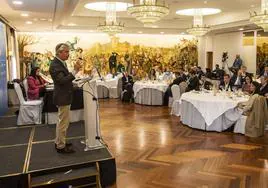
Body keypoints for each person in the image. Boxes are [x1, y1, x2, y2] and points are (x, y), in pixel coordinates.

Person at [49, 43, 76, 154]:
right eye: (66, 52)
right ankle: (61, 146)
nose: (68, 54)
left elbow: (64, 79)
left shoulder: (60, 63)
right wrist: (74, 71)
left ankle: (59, 141)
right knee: (63, 123)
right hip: (62, 97)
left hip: (64, 95)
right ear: (59, 52)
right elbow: (62, 81)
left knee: (62, 122)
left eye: (68, 51)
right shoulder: (55, 64)